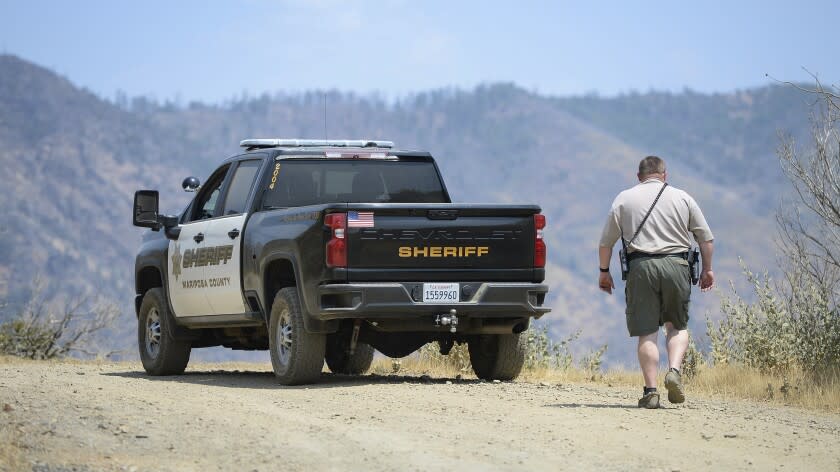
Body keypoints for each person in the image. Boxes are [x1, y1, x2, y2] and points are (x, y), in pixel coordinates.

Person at [598, 156, 715, 409]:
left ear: (638, 176)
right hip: (677, 266)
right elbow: (705, 239)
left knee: (647, 332)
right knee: (677, 326)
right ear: (664, 174)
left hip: (641, 268)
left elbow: (606, 243)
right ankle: (673, 371)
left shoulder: (624, 199)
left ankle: (650, 391)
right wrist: (708, 270)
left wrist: (604, 272)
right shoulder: (683, 198)